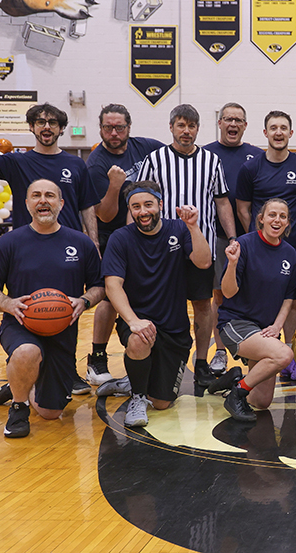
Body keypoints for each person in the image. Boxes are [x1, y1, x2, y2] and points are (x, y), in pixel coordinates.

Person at [0, 180, 104, 438]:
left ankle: (20, 381)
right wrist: (8, 304)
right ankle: (19, 406)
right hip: (20, 324)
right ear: (27, 204)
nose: (43, 200)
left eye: (50, 195)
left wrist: (85, 300)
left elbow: (99, 286)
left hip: (62, 331)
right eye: (36, 195)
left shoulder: (80, 243)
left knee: (50, 413)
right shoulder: (10, 242)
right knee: (27, 351)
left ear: (61, 203)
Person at [137, 104, 239, 388]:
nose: (186, 131)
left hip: (200, 246)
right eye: (181, 125)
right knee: (159, 305)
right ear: (171, 127)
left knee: (202, 305)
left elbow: (221, 202)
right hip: (161, 247)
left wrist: (232, 237)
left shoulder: (210, 160)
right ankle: (156, 360)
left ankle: (202, 362)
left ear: (198, 129)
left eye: (192, 126)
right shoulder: (155, 160)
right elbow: (141, 199)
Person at [101, 181, 212, 427]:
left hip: (174, 329)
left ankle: (135, 378)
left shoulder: (179, 230)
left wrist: (193, 226)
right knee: (139, 340)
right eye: (136, 207)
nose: (143, 212)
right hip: (139, 322)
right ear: (130, 210)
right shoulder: (120, 238)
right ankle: (137, 396)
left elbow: (203, 262)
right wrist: (133, 321)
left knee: (162, 403)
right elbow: (112, 285)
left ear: (160, 205)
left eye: (148, 205)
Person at [84, 104, 166, 386]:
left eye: (119, 127)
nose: (114, 133)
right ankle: (97, 357)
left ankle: (154, 345)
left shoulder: (147, 147)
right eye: (108, 127)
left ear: (129, 127)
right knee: (109, 297)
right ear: (100, 129)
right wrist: (115, 185)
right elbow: (104, 214)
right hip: (114, 235)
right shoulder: (96, 163)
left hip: (147, 231)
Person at [215, 199, 296, 422]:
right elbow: (228, 292)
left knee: (261, 401)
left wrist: (277, 325)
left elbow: (289, 297)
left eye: (283, 216)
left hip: (265, 328)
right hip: (236, 323)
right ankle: (237, 394)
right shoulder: (243, 245)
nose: (277, 220)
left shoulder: (290, 253)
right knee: (283, 354)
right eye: (272, 215)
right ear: (260, 219)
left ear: (288, 222)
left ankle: (235, 380)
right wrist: (232, 263)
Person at [0, 105, 99, 239]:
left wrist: (94, 244)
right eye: (40, 122)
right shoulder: (16, 163)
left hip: (69, 247)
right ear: (32, 127)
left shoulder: (76, 164)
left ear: (61, 129)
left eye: (53, 122)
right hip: (27, 246)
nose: (47, 127)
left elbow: (87, 207)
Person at [204, 103, 265, 376]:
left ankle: (255, 345)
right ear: (219, 122)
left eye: (238, 120)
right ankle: (219, 350)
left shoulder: (256, 155)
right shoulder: (205, 154)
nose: (233, 124)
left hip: (252, 237)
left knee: (252, 293)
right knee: (219, 294)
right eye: (228, 119)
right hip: (216, 235)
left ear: (245, 125)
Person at [235, 110, 296, 282]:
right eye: (273, 128)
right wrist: (258, 232)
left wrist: (289, 227)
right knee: (260, 295)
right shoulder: (250, 168)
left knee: (294, 298)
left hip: (295, 244)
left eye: (283, 128)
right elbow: (243, 210)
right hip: (260, 246)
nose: (278, 132)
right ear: (265, 133)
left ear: (291, 133)